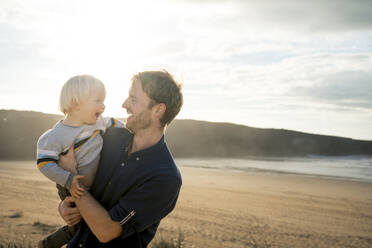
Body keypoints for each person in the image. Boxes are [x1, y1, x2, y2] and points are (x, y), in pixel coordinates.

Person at [57, 70, 183, 247]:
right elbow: (70, 165)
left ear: (158, 110)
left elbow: (106, 231)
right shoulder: (109, 137)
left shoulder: (165, 178)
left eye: (133, 99)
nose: (124, 104)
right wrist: (65, 205)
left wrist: (72, 181)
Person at [36, 75, 124, 248]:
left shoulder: (97, 122)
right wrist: (68, 179)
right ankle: (47, 244)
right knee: (80, 224)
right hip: (70, 184)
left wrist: (130, 132)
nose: (103, 106)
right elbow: (44, 164)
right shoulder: (56, 135)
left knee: (87, 223)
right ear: (76, 102)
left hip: (92, 187)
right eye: (98, 100)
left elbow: (114, 123)